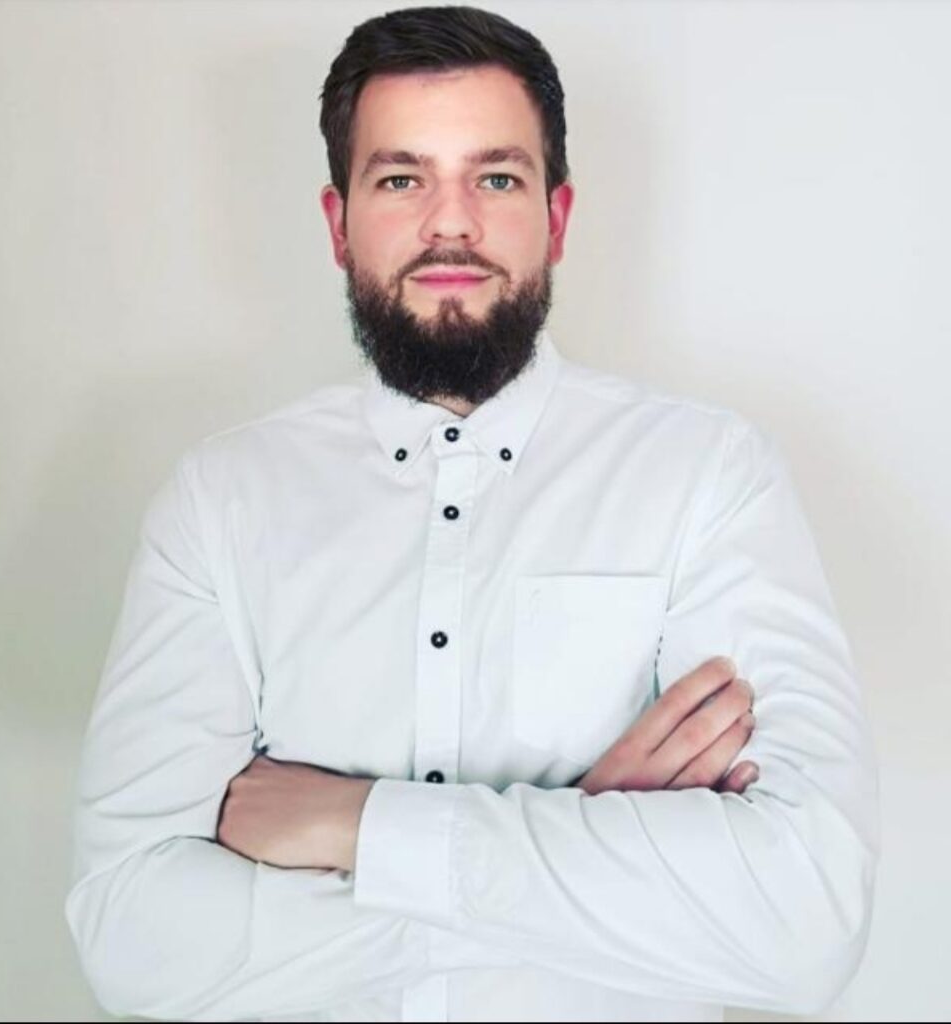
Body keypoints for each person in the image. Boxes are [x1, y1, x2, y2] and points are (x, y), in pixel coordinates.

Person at [64, 6, 879, 1022]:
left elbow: (804, 925)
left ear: (557, 216)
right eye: (401, 179)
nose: (450, 224)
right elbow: (132, 940)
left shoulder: (709, 476)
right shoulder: (221, 498)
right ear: (337, 223)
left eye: (495, 179)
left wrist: (357, 826)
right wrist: (583, 836)